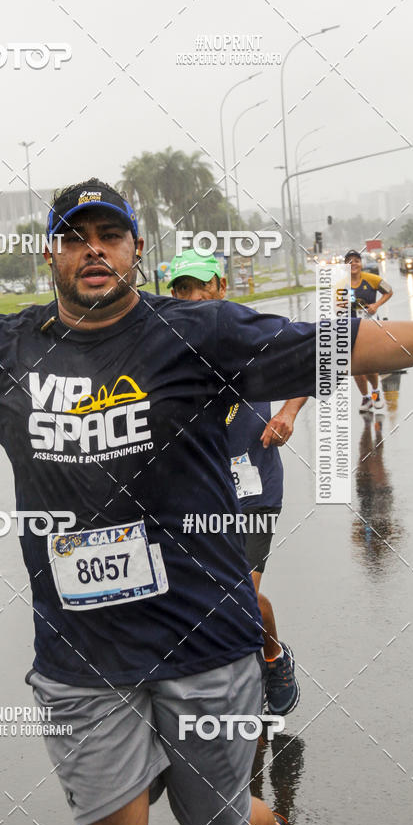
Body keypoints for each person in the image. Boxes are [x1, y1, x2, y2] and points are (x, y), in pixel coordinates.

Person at [0, 177, 413, 825]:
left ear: (136, 248)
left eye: (109, 236)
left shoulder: (201, 333)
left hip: (207, 646)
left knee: (218, 822)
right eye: (74, 239)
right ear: (48, 255)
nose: (94, 251)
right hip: (81, 656)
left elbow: (337, 343)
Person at [167, 250, 307, 717]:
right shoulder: (168, 348)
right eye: (181, 288)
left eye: (199, 286)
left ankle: (273, 657)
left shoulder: (250, 335)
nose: (191, 297)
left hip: (253, 490)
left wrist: (287, 413)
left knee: (239, 592)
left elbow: (313, 360)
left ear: (221, 287)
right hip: (198, 494)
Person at [345, 248, 393, 412]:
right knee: (355, 367)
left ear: (361, 263)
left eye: (356, 261)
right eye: (350, 261)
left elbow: (389, 291)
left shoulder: (372, 279)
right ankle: (366, 398)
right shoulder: (340, 283)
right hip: (350, 327)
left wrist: (376, 305)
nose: (353, 264)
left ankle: (375, 393)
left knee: (370, 365)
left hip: (370, 327)